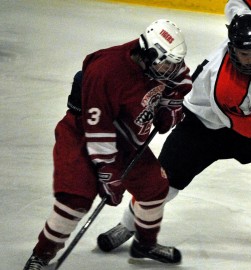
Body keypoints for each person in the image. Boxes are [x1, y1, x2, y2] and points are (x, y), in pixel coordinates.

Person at [96, 0, 251, 254]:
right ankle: (128, 226)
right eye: (244, 54)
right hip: (198, 127)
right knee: (163, 186)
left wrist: (243, 12)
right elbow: (244, 124)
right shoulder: (225, 86)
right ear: (232, 48)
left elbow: (239, 2)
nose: (250, 60)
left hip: (234, 122)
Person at [23, 19, 192, 269]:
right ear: (149, 53)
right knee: (75, 200)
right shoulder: (106, 71)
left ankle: (144, 244)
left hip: (126, 139)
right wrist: (108, 173)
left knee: (155, 188)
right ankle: (42, 254)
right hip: (82, 136)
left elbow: (180, 78)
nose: (171, 69)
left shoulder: (160, 63)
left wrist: (171, 106)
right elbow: (98, 128)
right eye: (167, 63)